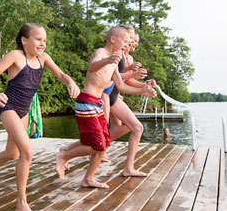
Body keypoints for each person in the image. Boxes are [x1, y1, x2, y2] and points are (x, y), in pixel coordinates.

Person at [0, 23, 79, 211]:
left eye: (45, 40)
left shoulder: (43, 58)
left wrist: (70, 82)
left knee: (11, 153)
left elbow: (61, 75)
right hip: (8, 107)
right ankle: (21, 201)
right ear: (24, 40)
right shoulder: (16, 56)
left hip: (24, 110)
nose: (43, 44)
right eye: (39, 39)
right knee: (27, 151)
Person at [55, 27, 156, 189]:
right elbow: (92, 67)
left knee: (105, 142)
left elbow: (121, 87)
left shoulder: (115, 62)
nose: (127, 44)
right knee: (98, 145)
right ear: (113, 40)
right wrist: (107, 61)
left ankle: (88, 179)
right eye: (124, 41)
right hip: (86, 102)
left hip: (96, 104)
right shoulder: (101, 53)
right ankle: (64, 154)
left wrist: (142, 91)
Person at [104, 25, 156, 177]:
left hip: (114, 95)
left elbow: (125, 81)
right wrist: (132, 74)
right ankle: (71, 152)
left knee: (132, 128)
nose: (132, 42)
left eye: (132, 39)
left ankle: (127, 167)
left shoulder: (126, 56)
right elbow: (115, 76)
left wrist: (145, 86)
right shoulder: (113, 53)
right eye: (129, 38)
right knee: (109, 131)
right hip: (106, 95)